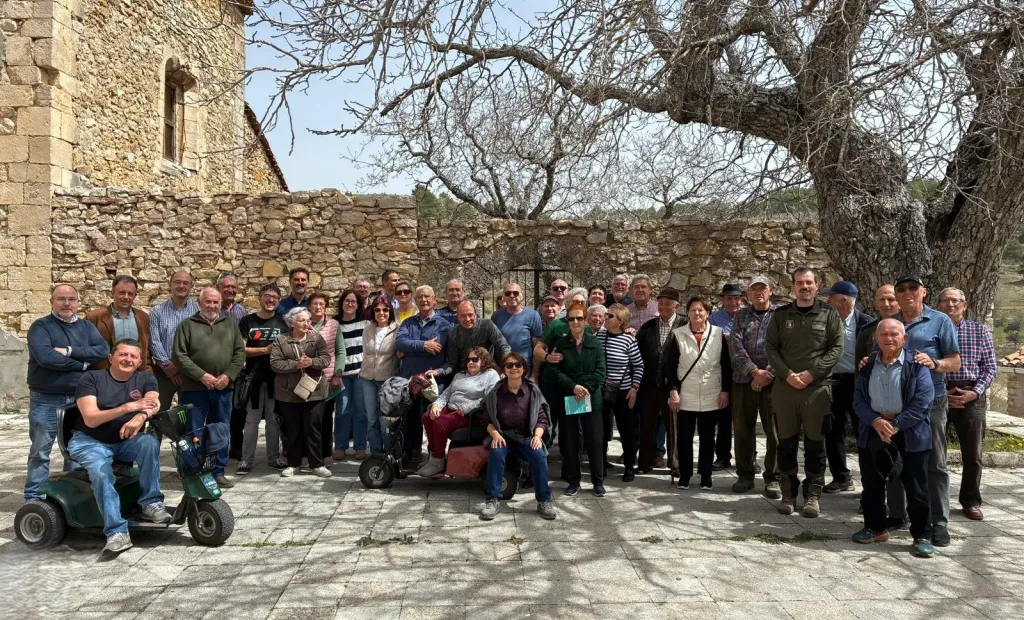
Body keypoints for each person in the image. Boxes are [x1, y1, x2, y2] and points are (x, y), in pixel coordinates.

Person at [69, 339, 171, 555]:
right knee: (101, 471)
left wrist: (141, 416)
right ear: (111, 358)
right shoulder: (91, 378)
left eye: (134, 356)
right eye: (123, 355)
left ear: (139, 361)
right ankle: (116, 532)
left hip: (124, 441)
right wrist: (128, 407)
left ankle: (150, 504)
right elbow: (91, 419)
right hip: (89, 441)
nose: (128, 359)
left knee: (149, 443)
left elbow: (154, 401)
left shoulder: (145, 378)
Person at [852, 319, 936, 558]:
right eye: (884, 334)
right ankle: (875, 528)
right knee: (872, 485)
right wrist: (876, 422)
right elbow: (858, 401)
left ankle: (922, 535)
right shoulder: (867, 365)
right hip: (874, 431)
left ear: (904, 338)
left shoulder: (918, 365)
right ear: (876, 338)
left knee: (917, 488)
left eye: (895, 334)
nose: (889, 338)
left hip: (909, 434)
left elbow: (922, 402)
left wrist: (896, 424)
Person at [888, 275, 960, 547]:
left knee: (934, 463)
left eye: (912, 289)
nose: (907, 293)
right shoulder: (890, 323)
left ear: (923, 292)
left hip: (931, 402)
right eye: (901, 289)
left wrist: (934, 362)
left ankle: (939, 521)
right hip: (895, 404)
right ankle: (896, 514)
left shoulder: (940, 321)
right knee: (895, 460)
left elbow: (954, 361)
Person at [765, 267, 843, 518]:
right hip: (785, 390)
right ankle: (788, 495)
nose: (805, 287)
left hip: (817, 390)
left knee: (815, 446)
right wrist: (788, 374)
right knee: (785, 445)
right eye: (800, 283)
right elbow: (771, 348)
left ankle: (812, 495)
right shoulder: (780, 315)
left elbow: (836, 349)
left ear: (817, 286)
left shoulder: (829, 315)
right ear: (793, 287)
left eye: (809, 282)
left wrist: (811, 374)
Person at [25, 284, 110, 502]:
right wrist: (82, 364)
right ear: (52, 301)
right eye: (61, 299)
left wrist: (69, 351)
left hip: (78, 400)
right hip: (46, 399)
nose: (67, 303)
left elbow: (102, 351)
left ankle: (71, 496)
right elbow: (46, 358)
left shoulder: (86, 327)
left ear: (77, 302)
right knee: (40, 451)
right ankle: (34, 498)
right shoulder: (40, 327)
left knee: (76, 450)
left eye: (71, 299)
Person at [172, 288, 246, 489]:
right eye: (208, 302)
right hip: (195, 389)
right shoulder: (186, 326)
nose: (212, 306)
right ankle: (193, 471)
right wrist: (201, 375)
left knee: (220, 429)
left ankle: (218, 471)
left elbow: (239, 353)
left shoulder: (230, 325)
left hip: (223, 388)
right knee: (193, 431)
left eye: (216, 302)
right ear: (199, 302)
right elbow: (179, 356)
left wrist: (228, 375)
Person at [937, 287, 994, 522]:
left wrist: (975, 393)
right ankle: (932, 499)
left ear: (965, 305)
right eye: (945, 301)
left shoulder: (979, 331)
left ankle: (971, 500)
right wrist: (940, 392)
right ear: (938, 305)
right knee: (932, 451)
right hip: (939, 393)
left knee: (973, 454)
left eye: (955, 300)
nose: (951, 304)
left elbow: (990, 368)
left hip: (971, 394)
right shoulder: (934, 330)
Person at [665, 297, 731, 490]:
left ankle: (706, 474)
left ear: (708, 313)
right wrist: (673, 391)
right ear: (688, 313)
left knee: (708, 437)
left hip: (711, 392)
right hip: (687, 393)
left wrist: (725, 390)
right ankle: (685, 474)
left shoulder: (718, 334)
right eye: (693, 310)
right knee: (684, 437)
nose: (697, 313)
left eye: (701, 310)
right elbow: (671, 367)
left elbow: (726, 365)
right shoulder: (678, 335)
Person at [480, 352, 555, 521]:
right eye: (509, 365)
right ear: (504, 370)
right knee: (496, 452)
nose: (514, 368)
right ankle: (492, 500)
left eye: (518, 365)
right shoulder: (495, 393)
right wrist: (495, 434)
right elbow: (486, 420)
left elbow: (542, 419)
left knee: (539, 455)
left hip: (526, 437)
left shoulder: (533, 391)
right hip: (503, 436)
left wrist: (537, 436)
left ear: (523, 368)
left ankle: (544, 500)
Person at [543, 302, 607, 497]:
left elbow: (600, 370)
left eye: (579, 318)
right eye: (571, 318)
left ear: (585, 319)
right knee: (570, 440)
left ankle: (598, 481)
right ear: (567, 320)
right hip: (570, 397)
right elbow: (556, 370)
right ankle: (573, 480)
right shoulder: (561, 343)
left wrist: (585, 387)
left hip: (590, 398)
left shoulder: (595, 343)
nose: (576, 322)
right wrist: (573, 387)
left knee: (595, 440)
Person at [729, 275, 781, 497]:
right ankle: (745, 474)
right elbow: (735, 346)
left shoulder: (780, 315)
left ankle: (773, 478)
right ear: (748, 295)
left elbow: (784, 347)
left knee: (775, 431)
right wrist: (753, 372)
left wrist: (767, 373)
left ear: (770, 291)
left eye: (763, 288)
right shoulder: (741, 316)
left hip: (773, 382)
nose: (759, 292)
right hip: (743, 381)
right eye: (754, 289)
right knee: (742, 429)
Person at [822, 280, 874, 494]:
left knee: (865, 433)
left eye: (831, 297)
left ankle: (870, 484)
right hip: (833, 382)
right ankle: (841, 478)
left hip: (859, 383)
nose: (827, 301)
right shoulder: (825, 321)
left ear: (843, 300)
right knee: (833, 432)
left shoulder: (868, 324)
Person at [417, 347, 501, 476]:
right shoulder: (460, 375)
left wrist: (469, 407)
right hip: (451, 408)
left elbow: (489, 398)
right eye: (468, 360)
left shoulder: (490, 374)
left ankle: (438, 460)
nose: (470, 362)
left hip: (471, 414)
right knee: (427, 417)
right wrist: (436, 405)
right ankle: (434, 458)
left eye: (475, 359)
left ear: (483, 361)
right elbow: (446, 393)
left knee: (440, 422)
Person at [270, 308, 333, 478]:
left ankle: (317, 464)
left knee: (313, 428)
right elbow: (275, 364)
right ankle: (293, 464)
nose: (307, 324)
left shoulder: (316, 338)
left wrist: (311, 361)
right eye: (302, 320)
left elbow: (326, 359)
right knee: (292, 429)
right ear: (292, 323)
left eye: (308, 320)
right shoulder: (281, 339)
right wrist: (295, 365)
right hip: (288, 393)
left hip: (314, 391)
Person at [396, 285, 452, 465]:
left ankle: (434, 454)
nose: (424, 300)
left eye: (427, 297)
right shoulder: (408, 323)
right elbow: (400, 343)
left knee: (432, 417)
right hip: (410, 379)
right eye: (420, 297)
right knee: (409, 417)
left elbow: (437, 348)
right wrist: (422, 345)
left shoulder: (443, 325)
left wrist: (412, 348)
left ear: (434, 299)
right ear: (416, 300)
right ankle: (410, 452)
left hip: (432, 381)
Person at [236, 285, 288, 474]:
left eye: (275, 297)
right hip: (253, 379)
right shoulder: (247, 321)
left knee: (274, 420)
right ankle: (246, 460)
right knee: (251, 421)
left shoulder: (283, 324)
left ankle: (274, 458)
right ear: (259, 297)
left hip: (276, 379)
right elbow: (241, 350)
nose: (271, 300)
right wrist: (265, 350)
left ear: (279, 301)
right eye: (267, 296)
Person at [636, 288, 684, 474]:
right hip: (649, 385)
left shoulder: (684, 326)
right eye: (661, 303)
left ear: (677, 306)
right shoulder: (648, 326)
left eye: (668, 304)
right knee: (647, 425)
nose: (663, 307)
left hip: (673, 386)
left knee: (674, 427)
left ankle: (676, 464)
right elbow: (638, 353)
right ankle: (645, 462)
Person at [596, 303, 644, 482]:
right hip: (601, 391)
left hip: (623, 392)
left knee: (627, 431)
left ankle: (629, 467)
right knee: (600, 430)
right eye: (606, 315)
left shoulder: (629, 340)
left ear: (621, 321)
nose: (605, 318)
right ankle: (601, 465)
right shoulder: (598, 336)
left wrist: (634, 387)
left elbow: (638, 365)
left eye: (610, 316)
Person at [149, 270, 199, 411]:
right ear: (169, 285)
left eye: (185, 283)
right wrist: (167, 366)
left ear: (191, 286)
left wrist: (179, 366)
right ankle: (154, 434)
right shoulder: (157, 312)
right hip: (164, 373)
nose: (181, 286)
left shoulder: (199, 311)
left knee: (190, 413)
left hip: (190, 373)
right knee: (158, 412)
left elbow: (199, 343)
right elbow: (154, 341)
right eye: (177, 282)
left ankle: (188, 435)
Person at [708, 283, 743, 472]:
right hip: (722, 370)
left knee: (744, 418)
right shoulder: (714, 318)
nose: (733, 302)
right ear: (723, 300)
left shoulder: (746, 316)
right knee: (723, 417)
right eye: (729, 298)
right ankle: (722, 457)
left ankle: (748, 457)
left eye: (736, 298)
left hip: (743, 370)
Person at [360, 296, 401, 453]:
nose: (381, 313)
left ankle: (391, 454)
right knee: (371, 419)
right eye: (377, 309)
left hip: (387, 380)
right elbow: (365, 352)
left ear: (390, 311)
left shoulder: (397, 329)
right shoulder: (368, 329)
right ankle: (376, 453)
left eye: (385, 309)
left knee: (386, 421)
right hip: (367, 379)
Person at [85, 275, 151, 372]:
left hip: (136, 376)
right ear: (112, 293)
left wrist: (148, 372)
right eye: (122, 293)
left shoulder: (143, 318)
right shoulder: (93, 318)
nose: (126, 297)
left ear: (135, 296)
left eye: (130, 293)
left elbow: (146, 350)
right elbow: (85, 348)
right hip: (105, 376)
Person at [333, 289, 369, 460]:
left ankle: (360, 446)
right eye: (347, 301)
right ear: (342, 303)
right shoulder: (334, 324)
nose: (350, 304)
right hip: (343, 374)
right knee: (342, 410)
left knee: (361, 412)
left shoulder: (365, 323)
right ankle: (340, 446)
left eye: (353, 301)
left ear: (358, 305)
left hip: (361, 374)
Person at [433, 301, 511, 380]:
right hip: (465, 375)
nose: (467, 319)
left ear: (475, 314)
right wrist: (437, 372)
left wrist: (507, 366)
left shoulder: (487, 325)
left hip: (487, 372)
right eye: (463, 316)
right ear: (458, 317)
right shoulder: (453, 334)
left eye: (470, 315)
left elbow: (503, 346)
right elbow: (451, 363)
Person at [309, 292, 344, 464]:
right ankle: (307, 454)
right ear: (309, 306)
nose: (318, 307)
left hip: (328, 378)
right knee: (307, 419)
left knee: (325, 418)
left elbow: (340, 351)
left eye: (321, 304)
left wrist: (337, 374)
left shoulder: (333, 324)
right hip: (306, 379)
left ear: (325, 306)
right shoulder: (302, 323)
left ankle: (325, 452)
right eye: (315, 304)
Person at [491, 282, 544, 374]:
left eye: (515, 293)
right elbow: (492, 344)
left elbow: (537, 347)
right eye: (508, 293)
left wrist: (534, 374)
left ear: (522, 295)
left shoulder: (533, 315)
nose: (512, 296)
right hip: (503, 369)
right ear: (503, 296)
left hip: (524, 369)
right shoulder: (496, 316)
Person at [856, 285, 900, 362]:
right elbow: (859, 363)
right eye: (882, 300)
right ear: (875, 304)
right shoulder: (866, 331)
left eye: (891, 299)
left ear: (900, 303)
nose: (886, 304)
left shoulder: (909, 327)